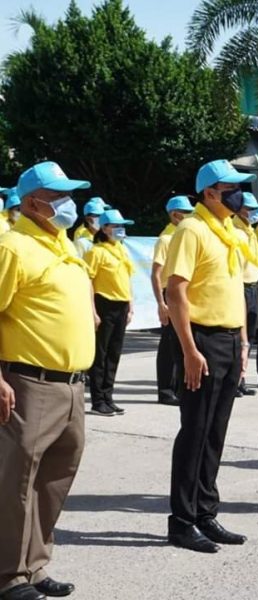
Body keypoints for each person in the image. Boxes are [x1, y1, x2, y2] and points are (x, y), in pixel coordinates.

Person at [0, 161, 94, 600]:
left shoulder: (62, 244)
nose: (67, 203)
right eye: (59, 196)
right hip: (29, 382)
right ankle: (9, 576)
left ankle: (35, 566)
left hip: (71, 383)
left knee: (56, 476)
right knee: (18, 482)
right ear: (33, 202)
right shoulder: (13, 247)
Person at [163, 159, 255, 553]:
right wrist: (189, 349)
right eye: (230, 188)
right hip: (202, 338)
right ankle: (182, 521)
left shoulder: (228, 231)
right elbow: (176, 291)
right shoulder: (192, 229)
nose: (238, 194)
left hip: (229, 339)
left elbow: (234, 291)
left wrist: (243, 343)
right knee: (195, 431)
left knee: (215, 433)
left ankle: (205, 512)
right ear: (209, 192)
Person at [84, 209, 135, 417]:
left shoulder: (121, 250)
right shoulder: (96, 252)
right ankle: (98, 400)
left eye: (122, 226)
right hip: (104, 304)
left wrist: (130, 305)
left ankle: (108, 396)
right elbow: (87, 281)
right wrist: (93, 311)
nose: (120, 229)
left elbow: (127, 279)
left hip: (121, 305)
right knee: (101, 354)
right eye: (116, 226)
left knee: (114, 353)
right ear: (104, 228)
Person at [151, 196, 194, 406]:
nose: (189, 216)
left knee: (180, 342)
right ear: (175, 214)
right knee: (169, 344)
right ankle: (165, 390)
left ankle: (177, 387)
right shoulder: (166, 239)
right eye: (186, 212)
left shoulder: (183, 235)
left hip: (184, 291)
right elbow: (156, 273)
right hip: (169, 292)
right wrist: (161, 303)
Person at [232, 192, 258, 397]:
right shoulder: (236, 232)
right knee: (239, 336)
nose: (253, 213)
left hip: (252, 287)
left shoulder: (250, 232)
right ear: (238, 209)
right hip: (240, 287)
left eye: (255, 209)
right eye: (249, 209)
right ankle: (234, 379)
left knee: (251, 335)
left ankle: (241, 378)